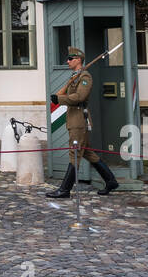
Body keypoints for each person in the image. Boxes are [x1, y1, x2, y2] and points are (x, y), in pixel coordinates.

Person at [45, 46, 120, 198]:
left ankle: (65, 190)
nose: (67, 61)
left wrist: (60, 99)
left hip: (79, 119)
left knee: (75, 153)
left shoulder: (85, 77)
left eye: (70, 59)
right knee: (87, 153)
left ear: (78, 60)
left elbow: (79, 97)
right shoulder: (76, 76)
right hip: (73, 118)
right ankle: (110, 180)